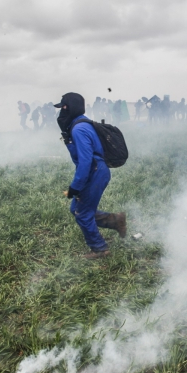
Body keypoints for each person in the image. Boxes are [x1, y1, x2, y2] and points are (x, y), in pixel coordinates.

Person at [55, 92, 127, 259]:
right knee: (77, 209)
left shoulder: (79, 128)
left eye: (64, 107)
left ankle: (100, 249)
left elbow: (86, 161)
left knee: (82, 213)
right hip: (95, 170)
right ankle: (116, 220)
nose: (61, 112)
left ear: (71, 108)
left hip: (94, 171)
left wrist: (76, 186)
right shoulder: (81, 124)